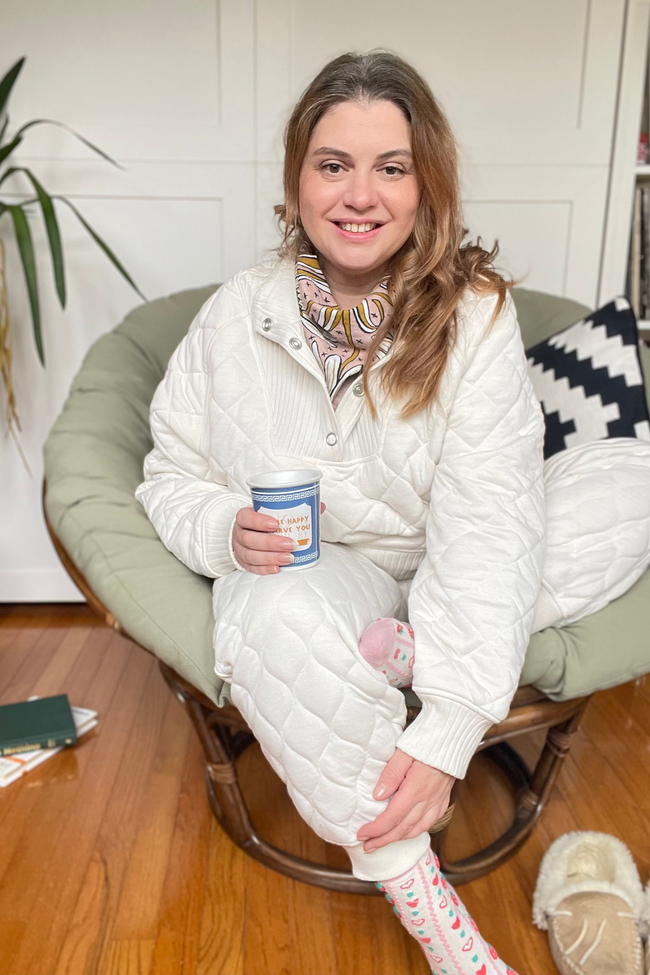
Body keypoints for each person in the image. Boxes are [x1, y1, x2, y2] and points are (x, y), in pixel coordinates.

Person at [136, 51, 544, 975]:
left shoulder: (476, 314)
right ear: (295, 183)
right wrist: (220, 527)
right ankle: (436, 918)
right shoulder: (235, 314)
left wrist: (447, 728)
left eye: (390, 167)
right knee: (266, 605)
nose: (360, 195)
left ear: (425, 184)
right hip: (327, 579)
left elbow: (489, 525)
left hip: (439, 563)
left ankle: (420, 653)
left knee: (621, 484)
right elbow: (168, 473)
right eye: (333, 165)